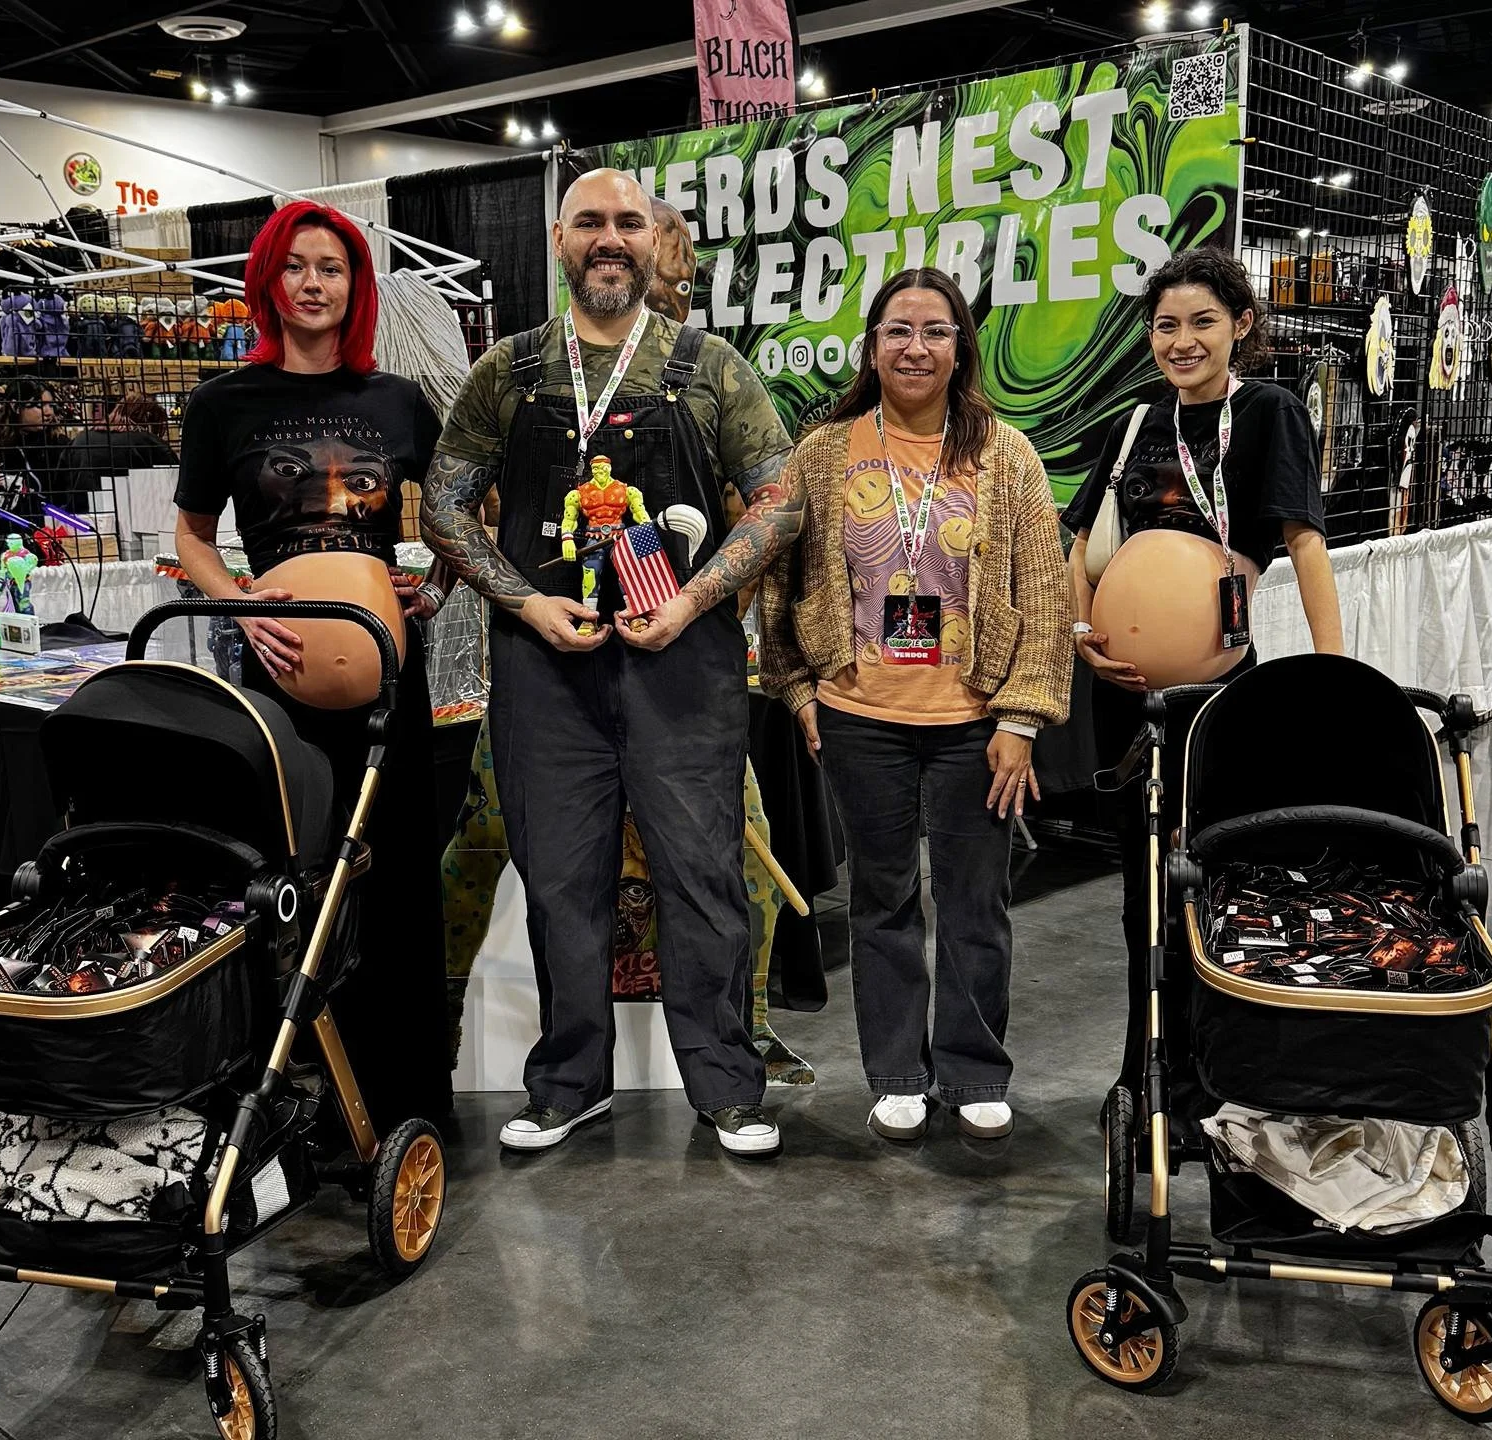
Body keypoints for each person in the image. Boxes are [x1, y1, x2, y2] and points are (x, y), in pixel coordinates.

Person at [421, 168, 802, 1158]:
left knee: (702, 875)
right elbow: (443, 506)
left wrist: (693, 598)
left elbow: (780, 501)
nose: (608, 237)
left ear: (652, 239)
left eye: (627, 221)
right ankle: (569, 1084)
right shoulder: (509, 372)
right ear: (558, 240)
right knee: (562, 882)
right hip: (547, 672)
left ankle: (725, 1084)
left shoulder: (712, 367)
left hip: (684, 663)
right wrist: (523, 601)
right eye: (589, 220)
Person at [758, 268, 1071, 1142]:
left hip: (975, 722)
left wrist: (1021, 720)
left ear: (961, 345)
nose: (916, 348)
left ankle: (973, 1070)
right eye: (898, 330)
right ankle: (897, 1070)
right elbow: (781, 584)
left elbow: (1043, 595)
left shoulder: (1005, 455)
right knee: (882, 900)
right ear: (872, 345)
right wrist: (795, 687)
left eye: (935, 331)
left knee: (976, 903)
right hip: (861, 716)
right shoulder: (825, 453)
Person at [173, 199, 451, 1134]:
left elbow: (459, 516)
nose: (313, 284)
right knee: (292, 880)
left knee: (400, 879)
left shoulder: (396, 401)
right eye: (295, 267)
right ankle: (295, 1095)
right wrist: (240, 604)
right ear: (268, 281)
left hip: (388, 685)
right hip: (278, 684)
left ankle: (409, 1094)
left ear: (355, 285)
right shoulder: (222, 404)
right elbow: (193, 538)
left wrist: (439, 586)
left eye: (331, 268)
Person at [1062, 246, 1343, 1110]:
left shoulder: (1268, 412)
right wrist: (1080, 631)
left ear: (1242, 327)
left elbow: (1304, 545)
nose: (1181, 342)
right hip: (1125, 698)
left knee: (1213, 871)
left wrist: (1335, 684)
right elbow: (1079, 545)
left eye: (1202, 323)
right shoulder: (1133, 423)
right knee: (1142, 881)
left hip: (1220, 698)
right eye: (1166, 325)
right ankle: (1146, 1063)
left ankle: (1213, 1065)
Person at [55, 390, 179, 510]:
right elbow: (176, 485)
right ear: (148, 419)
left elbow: (58, 488)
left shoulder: (80, 440)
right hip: (137, 520)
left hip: (81, 519)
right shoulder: (149, 443)